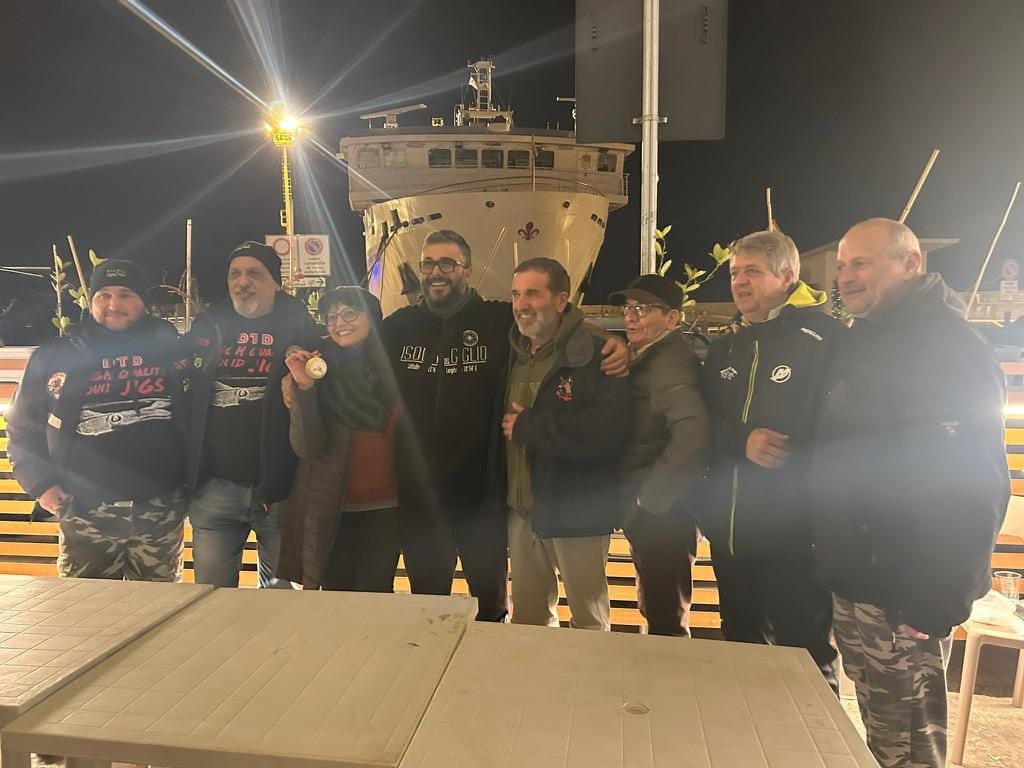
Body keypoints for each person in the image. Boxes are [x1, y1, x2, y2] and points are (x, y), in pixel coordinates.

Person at [813, 218, 1008, 768]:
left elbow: (976, 484)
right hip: (856, 579)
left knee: (910, 748)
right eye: (842, 265)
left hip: (907, 593)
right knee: (880, 731)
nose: (846, 277)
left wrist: (940, 598)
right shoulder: (864, 337)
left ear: (910, 263)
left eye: (863, 263)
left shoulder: (952, 349)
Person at [381, 229, 629, 621]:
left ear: (467, 271)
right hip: (421, 496)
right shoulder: (398, 327)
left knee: (491, 606)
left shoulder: (497, 320)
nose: (436, 272)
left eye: (447, 263)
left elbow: (559, 325)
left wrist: (613, 342)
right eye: (428, 264)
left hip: (484, 496)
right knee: (428, 604)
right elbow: (350, 345)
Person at [701, 230, 841, 683]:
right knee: (741, 651)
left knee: (806, 659)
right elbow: (702, 423)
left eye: (753, 272)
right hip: (731, 537)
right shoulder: (727, 345)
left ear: (788, 276)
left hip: (796, 539)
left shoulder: (825, 340)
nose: (739, 282)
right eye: (734, 273)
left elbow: (844, 431)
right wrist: (741, 440)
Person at [7, 260, 189, 581]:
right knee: (86, 606)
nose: (113, 304)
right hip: (83, 509)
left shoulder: (174, 352)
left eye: (126, 294)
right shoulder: (55, 356)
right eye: (103, 295)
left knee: (161, 605)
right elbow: (22, 426)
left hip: (160, 508)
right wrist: (41, 484)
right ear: (91, 301)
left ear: (144, 302)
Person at [500, 257, 632, 630]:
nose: (521, 304)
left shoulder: (597, 352)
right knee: (528, 621)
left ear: (561, 300)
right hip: (521, 510)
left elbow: (608, 433)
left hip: (577, 509)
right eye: (516, 294)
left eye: (533, 294)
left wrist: (531, 427)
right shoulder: (509, 351)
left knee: (589, 623)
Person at [185, 241, 319, 587]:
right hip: (215, 488)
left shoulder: (302, 326)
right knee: (210, 598)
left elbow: (321, 394)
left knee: (279, 603)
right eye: (235, 274)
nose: (243, 282)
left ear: (276, 282)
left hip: (280, 490)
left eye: (255, 274)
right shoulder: (208, 324)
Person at [278, 286, 412, 592]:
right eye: (332, 316)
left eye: (350, 313)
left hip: (387, 506)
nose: (339, 323)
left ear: (372, 318)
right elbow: (307, 447)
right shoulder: (317, 371)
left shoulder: (397, 365)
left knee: (375, 593)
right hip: (331, 505)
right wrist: (304, 388)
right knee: (335, 598)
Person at [609, 274, 710, 636]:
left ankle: (669, 673)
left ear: (672, 318)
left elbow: (693, 433)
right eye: (627, 308)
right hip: (656, 510)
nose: (630, 317)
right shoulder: (651, 357)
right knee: (657, 607)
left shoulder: (671, 363)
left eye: (642, 309)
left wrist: (648, 499)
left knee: (665, 617)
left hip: (665, 515)